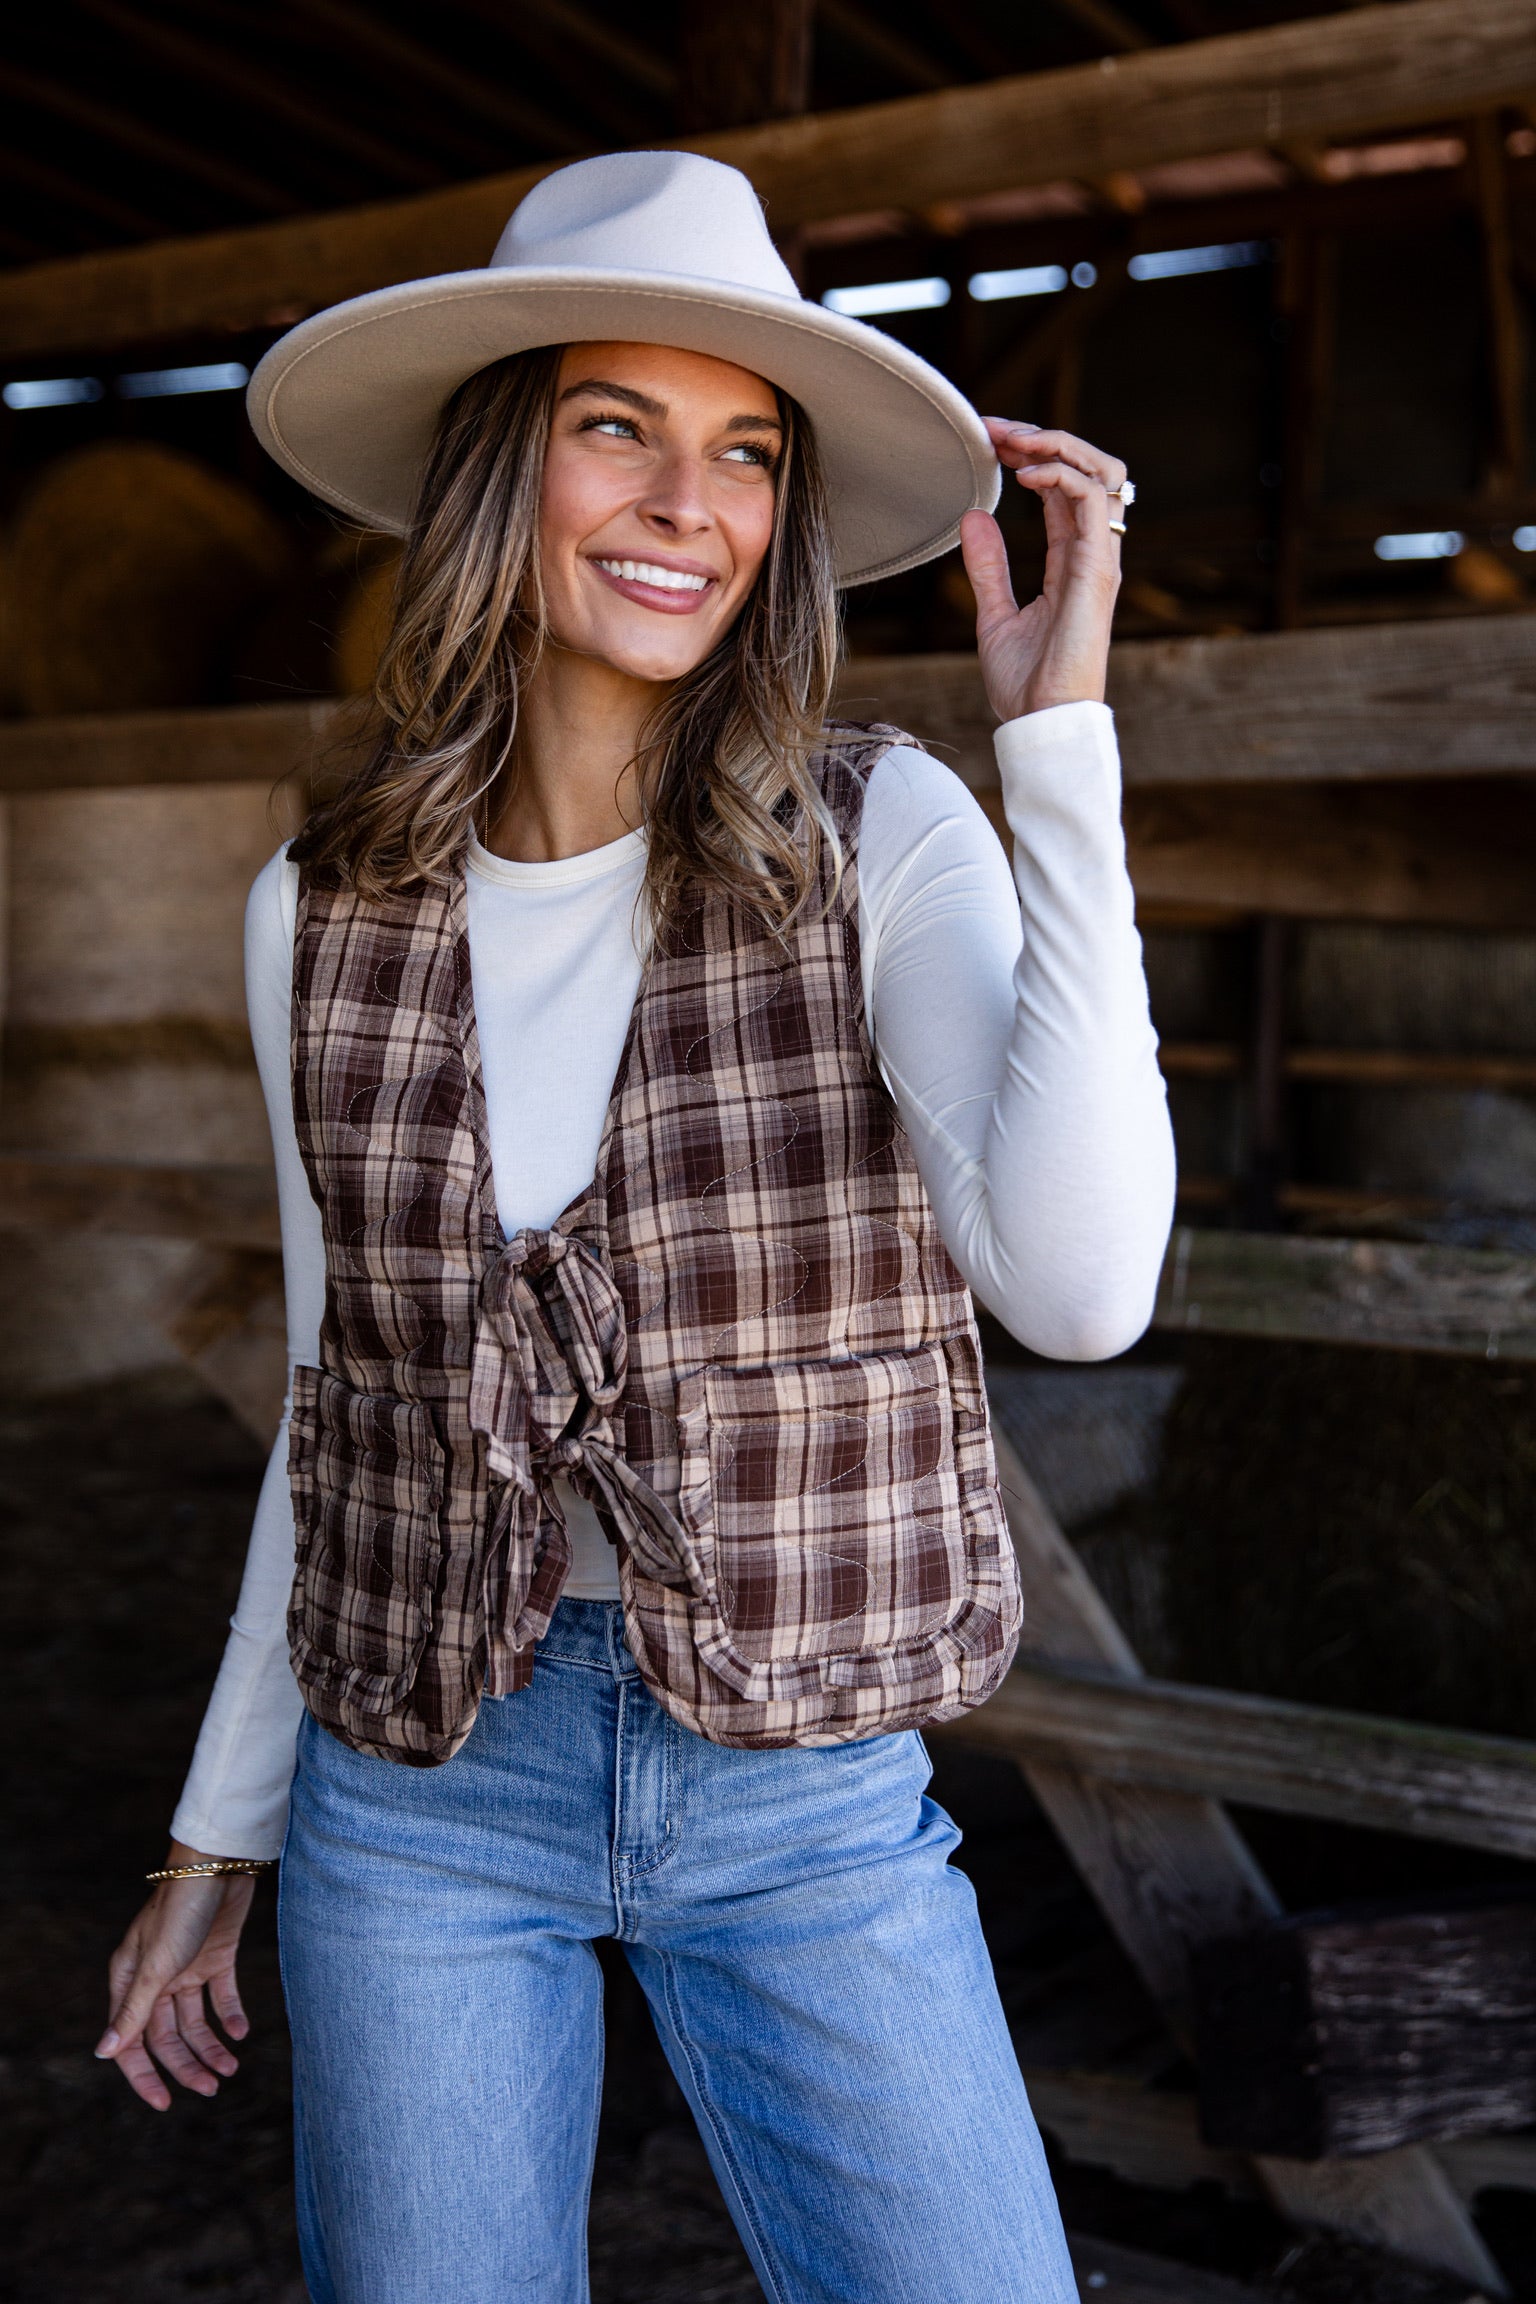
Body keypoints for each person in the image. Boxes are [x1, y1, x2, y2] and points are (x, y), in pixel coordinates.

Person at [97, 150, 1174, 2304]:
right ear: (507, 464)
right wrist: (228, 1821)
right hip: (421, 1793)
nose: (692, 504)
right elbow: (340, 1405)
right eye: (622, 427)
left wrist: (1057, 744)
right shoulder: (321, 909)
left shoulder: (890, 835)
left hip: (802, 1784)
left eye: (747, 453)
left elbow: (1079, 1289)